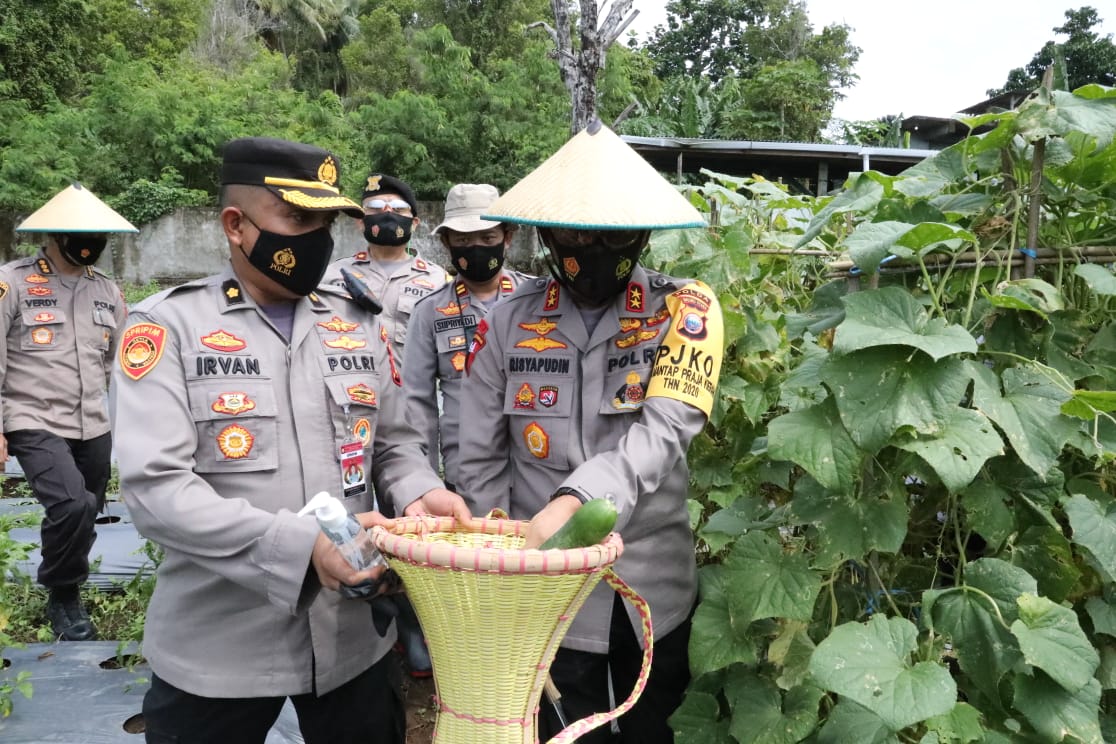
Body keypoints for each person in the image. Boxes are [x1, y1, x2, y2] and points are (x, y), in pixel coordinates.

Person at [109, 136, 469, 744]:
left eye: (326, 222)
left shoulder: (354, 319)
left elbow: (394, 443)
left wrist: (417, 495)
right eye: (299, 219)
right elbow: (157, 491)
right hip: (219, 650)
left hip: (352, 639)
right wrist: (302, 548)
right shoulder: (167, 328)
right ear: (236, 225)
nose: (318, 239)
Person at [457, 120, 723, 743]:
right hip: (543, 586)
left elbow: (665, 431)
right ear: (547, 236)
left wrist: (578, 500)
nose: (596, 247)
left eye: (615, 234)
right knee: (557, 731)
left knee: (652, 729)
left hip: (650, 587)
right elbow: (477, 458)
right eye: (578, 232)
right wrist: (503, 564)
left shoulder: (687, 312)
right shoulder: (507, 324)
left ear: (643, 236)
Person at [0, 183, 134, 641]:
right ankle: (62, 592)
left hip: (93, 421)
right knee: (72, 503)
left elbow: (123, 362)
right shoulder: (12, 282)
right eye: (79, 233)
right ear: (55, 235)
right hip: (31, 416)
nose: (90, 242)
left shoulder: (107, 291)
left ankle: (66, 579)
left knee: (86, 507)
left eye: (97, 235)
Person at [403, 183, 533, 492]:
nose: (476, 247)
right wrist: (426, 483)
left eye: (488, 238)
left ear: (508, 238)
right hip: (467, 476)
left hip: (535, 469)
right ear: (447, 243)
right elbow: (416, 406)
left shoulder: (536, 301)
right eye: (463, 239)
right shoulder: (429, 311)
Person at [323, 173, 447, 367]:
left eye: (398, 208)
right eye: (375, 208)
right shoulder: (331, 276)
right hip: (350, 393)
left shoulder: (440, 282)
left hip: (409, 395)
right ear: (361, 222)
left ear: (414, 224)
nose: (387, 212)